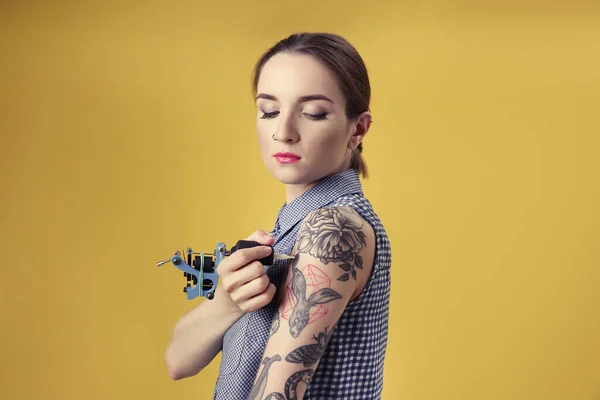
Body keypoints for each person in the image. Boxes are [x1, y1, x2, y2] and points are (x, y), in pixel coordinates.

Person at [164, 32, 392, 400]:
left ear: (358, 129)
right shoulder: (288, 230)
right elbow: (177, 361)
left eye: (313, 113)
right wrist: (227, 301)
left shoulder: (332, 230)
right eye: (269, 110)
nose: (282, 132)